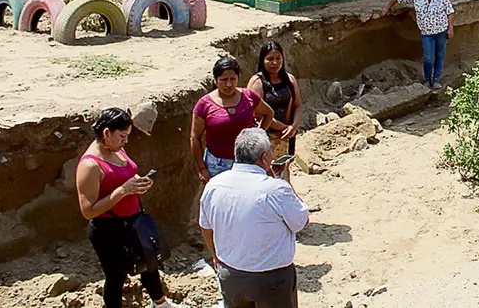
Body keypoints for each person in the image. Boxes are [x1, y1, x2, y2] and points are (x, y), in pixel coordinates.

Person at [75, 108, 184, 308]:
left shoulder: (117, 148)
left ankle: (161, 304)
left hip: (134, 221)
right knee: (116, 277)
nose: (126, 141)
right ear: (107, 133)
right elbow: (88, 210)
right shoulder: (90, 165)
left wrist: (138, 182)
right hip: (109, 229)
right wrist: (123, 191)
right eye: (122, 136)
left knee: (149, 265)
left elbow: (125, 175)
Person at [199, 128, 309, 308]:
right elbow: (301, 222)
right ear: (264, 158)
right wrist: (285, 182)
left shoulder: (214, 185)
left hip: (230, 275)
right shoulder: (276, 190)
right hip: (271, 280)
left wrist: (215, 256)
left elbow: (205, 226)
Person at [191, 56, 284, 183]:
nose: (229, 84)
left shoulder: (248, 96)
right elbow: (195, 137)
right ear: (216, 80)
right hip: (217, 165)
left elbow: (268, 113)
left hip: (248, 162)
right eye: (224, 80)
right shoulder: (204, 104)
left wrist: (257, 134)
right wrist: (202, 168)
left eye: (232, 79)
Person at [380, 0, 455, 89]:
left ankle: (436, 79)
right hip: (427, 34)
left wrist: (450, 28)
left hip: (441, 32)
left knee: (440, 55)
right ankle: (427, 80)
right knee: (428, 58)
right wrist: (387, 7)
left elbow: (450, 12)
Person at [247, 41, 303, 161]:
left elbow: (297, 105)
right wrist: (283, 127)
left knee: (284, 168)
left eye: (278, 58)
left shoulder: (290, 80)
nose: (275, 63)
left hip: (287, 135)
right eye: (270, 59)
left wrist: (293, 127)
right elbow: (258, 114)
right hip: (265, 138)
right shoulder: (257, 82)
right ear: (263, 60)